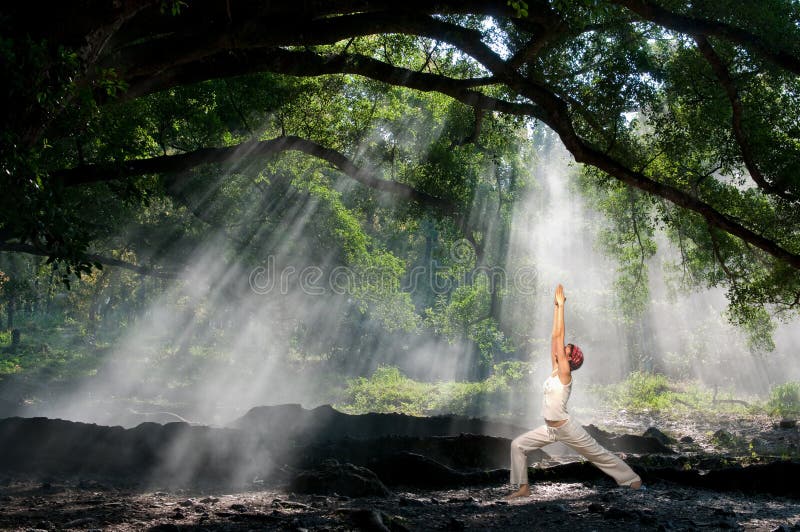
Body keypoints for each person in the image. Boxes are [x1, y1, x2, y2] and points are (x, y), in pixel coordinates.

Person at [507, 284, 642, 499]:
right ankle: (523, 488)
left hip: (567, 428)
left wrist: (562, 307)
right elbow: (555, 338)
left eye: (566, 351)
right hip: (550, 429)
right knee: (518, 445)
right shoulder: (555, 369)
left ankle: (632, 479)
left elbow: (559, 338)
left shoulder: (564, 374)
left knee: (597, 453)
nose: (561, 351)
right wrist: (556, 308)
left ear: (569, 360)